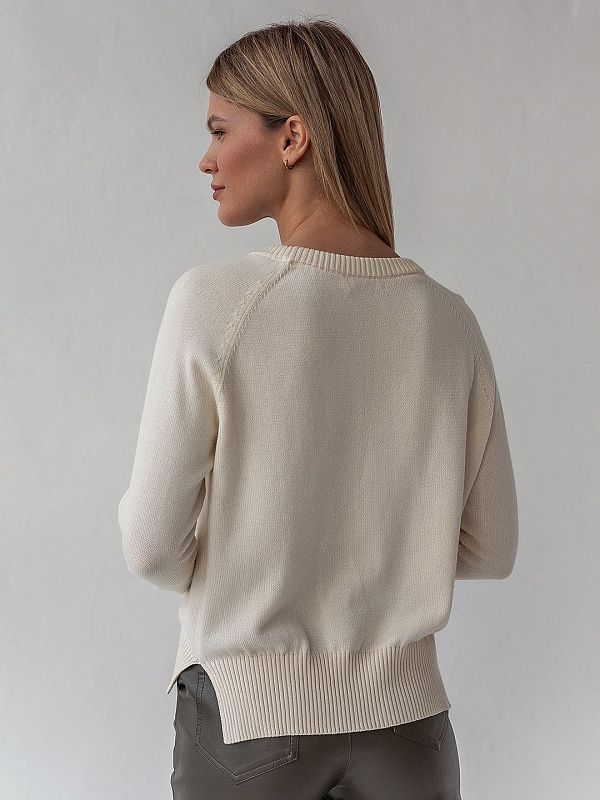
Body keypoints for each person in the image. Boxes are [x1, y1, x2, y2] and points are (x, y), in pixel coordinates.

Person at [118, 16, 518, 800]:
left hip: (250, 728)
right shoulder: (449, 321)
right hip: (411, 735)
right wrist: (379, 567)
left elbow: (151, 546)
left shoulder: (217, 303)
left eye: (220, 130)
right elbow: (492, 547)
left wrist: (255, 574)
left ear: (293, 137)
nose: (207, 158)